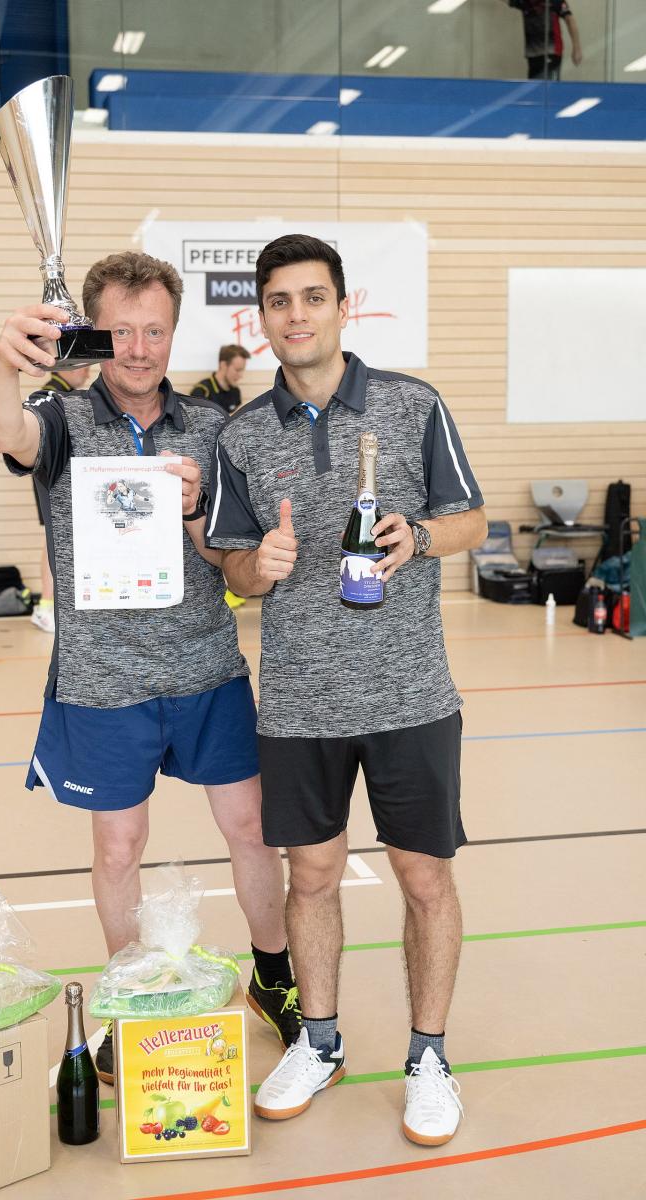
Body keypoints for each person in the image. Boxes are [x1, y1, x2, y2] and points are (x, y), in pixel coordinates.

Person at [0, 250, 299, 1085]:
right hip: (103, 680)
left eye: (155, 331)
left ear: (173, 333)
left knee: (253, 829)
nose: (139, 348)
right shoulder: (58, 418)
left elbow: (230, 555)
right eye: (121, 331)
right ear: (95, 330)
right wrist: (3, 360)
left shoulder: (213, 428)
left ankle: (274, 977)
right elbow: (4, 431)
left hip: (207, 670)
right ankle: (127, 1001)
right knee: (120, 848)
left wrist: (198, 507)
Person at [205, 234, 487, 1145]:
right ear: (262, 316)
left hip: (412, 696)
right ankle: (318, 1042)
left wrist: (422, 538)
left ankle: (428, 1059)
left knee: (424, 878)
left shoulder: (413, 404)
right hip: (298, 704)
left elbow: (473, 518)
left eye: (313, 297)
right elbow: (230, 564)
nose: (297, 316)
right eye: (279, 301)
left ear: (341, 305)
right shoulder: (243, 436)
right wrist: (256, 565)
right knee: (313, 875)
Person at [29, 365, 92, 633]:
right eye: (84, 367)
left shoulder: (68, 394)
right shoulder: (52, 396)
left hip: (66, 477)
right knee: (52, 540)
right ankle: (45, 606)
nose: (87, 374)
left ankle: (52, 604)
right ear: (66, 368)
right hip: (52, 476)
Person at [508, 0, 582, 80]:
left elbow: (569, 20)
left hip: (551, 52)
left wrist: (576, 48)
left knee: (550, 85)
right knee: (534, 86)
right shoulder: (524, 1)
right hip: (532, 55)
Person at [191, 345, 251, 415]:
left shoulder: (235, 391)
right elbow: (197, 419)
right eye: (237, 370)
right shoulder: (202, 391)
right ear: (223, 365)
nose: (241, 375)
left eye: (242, 370)